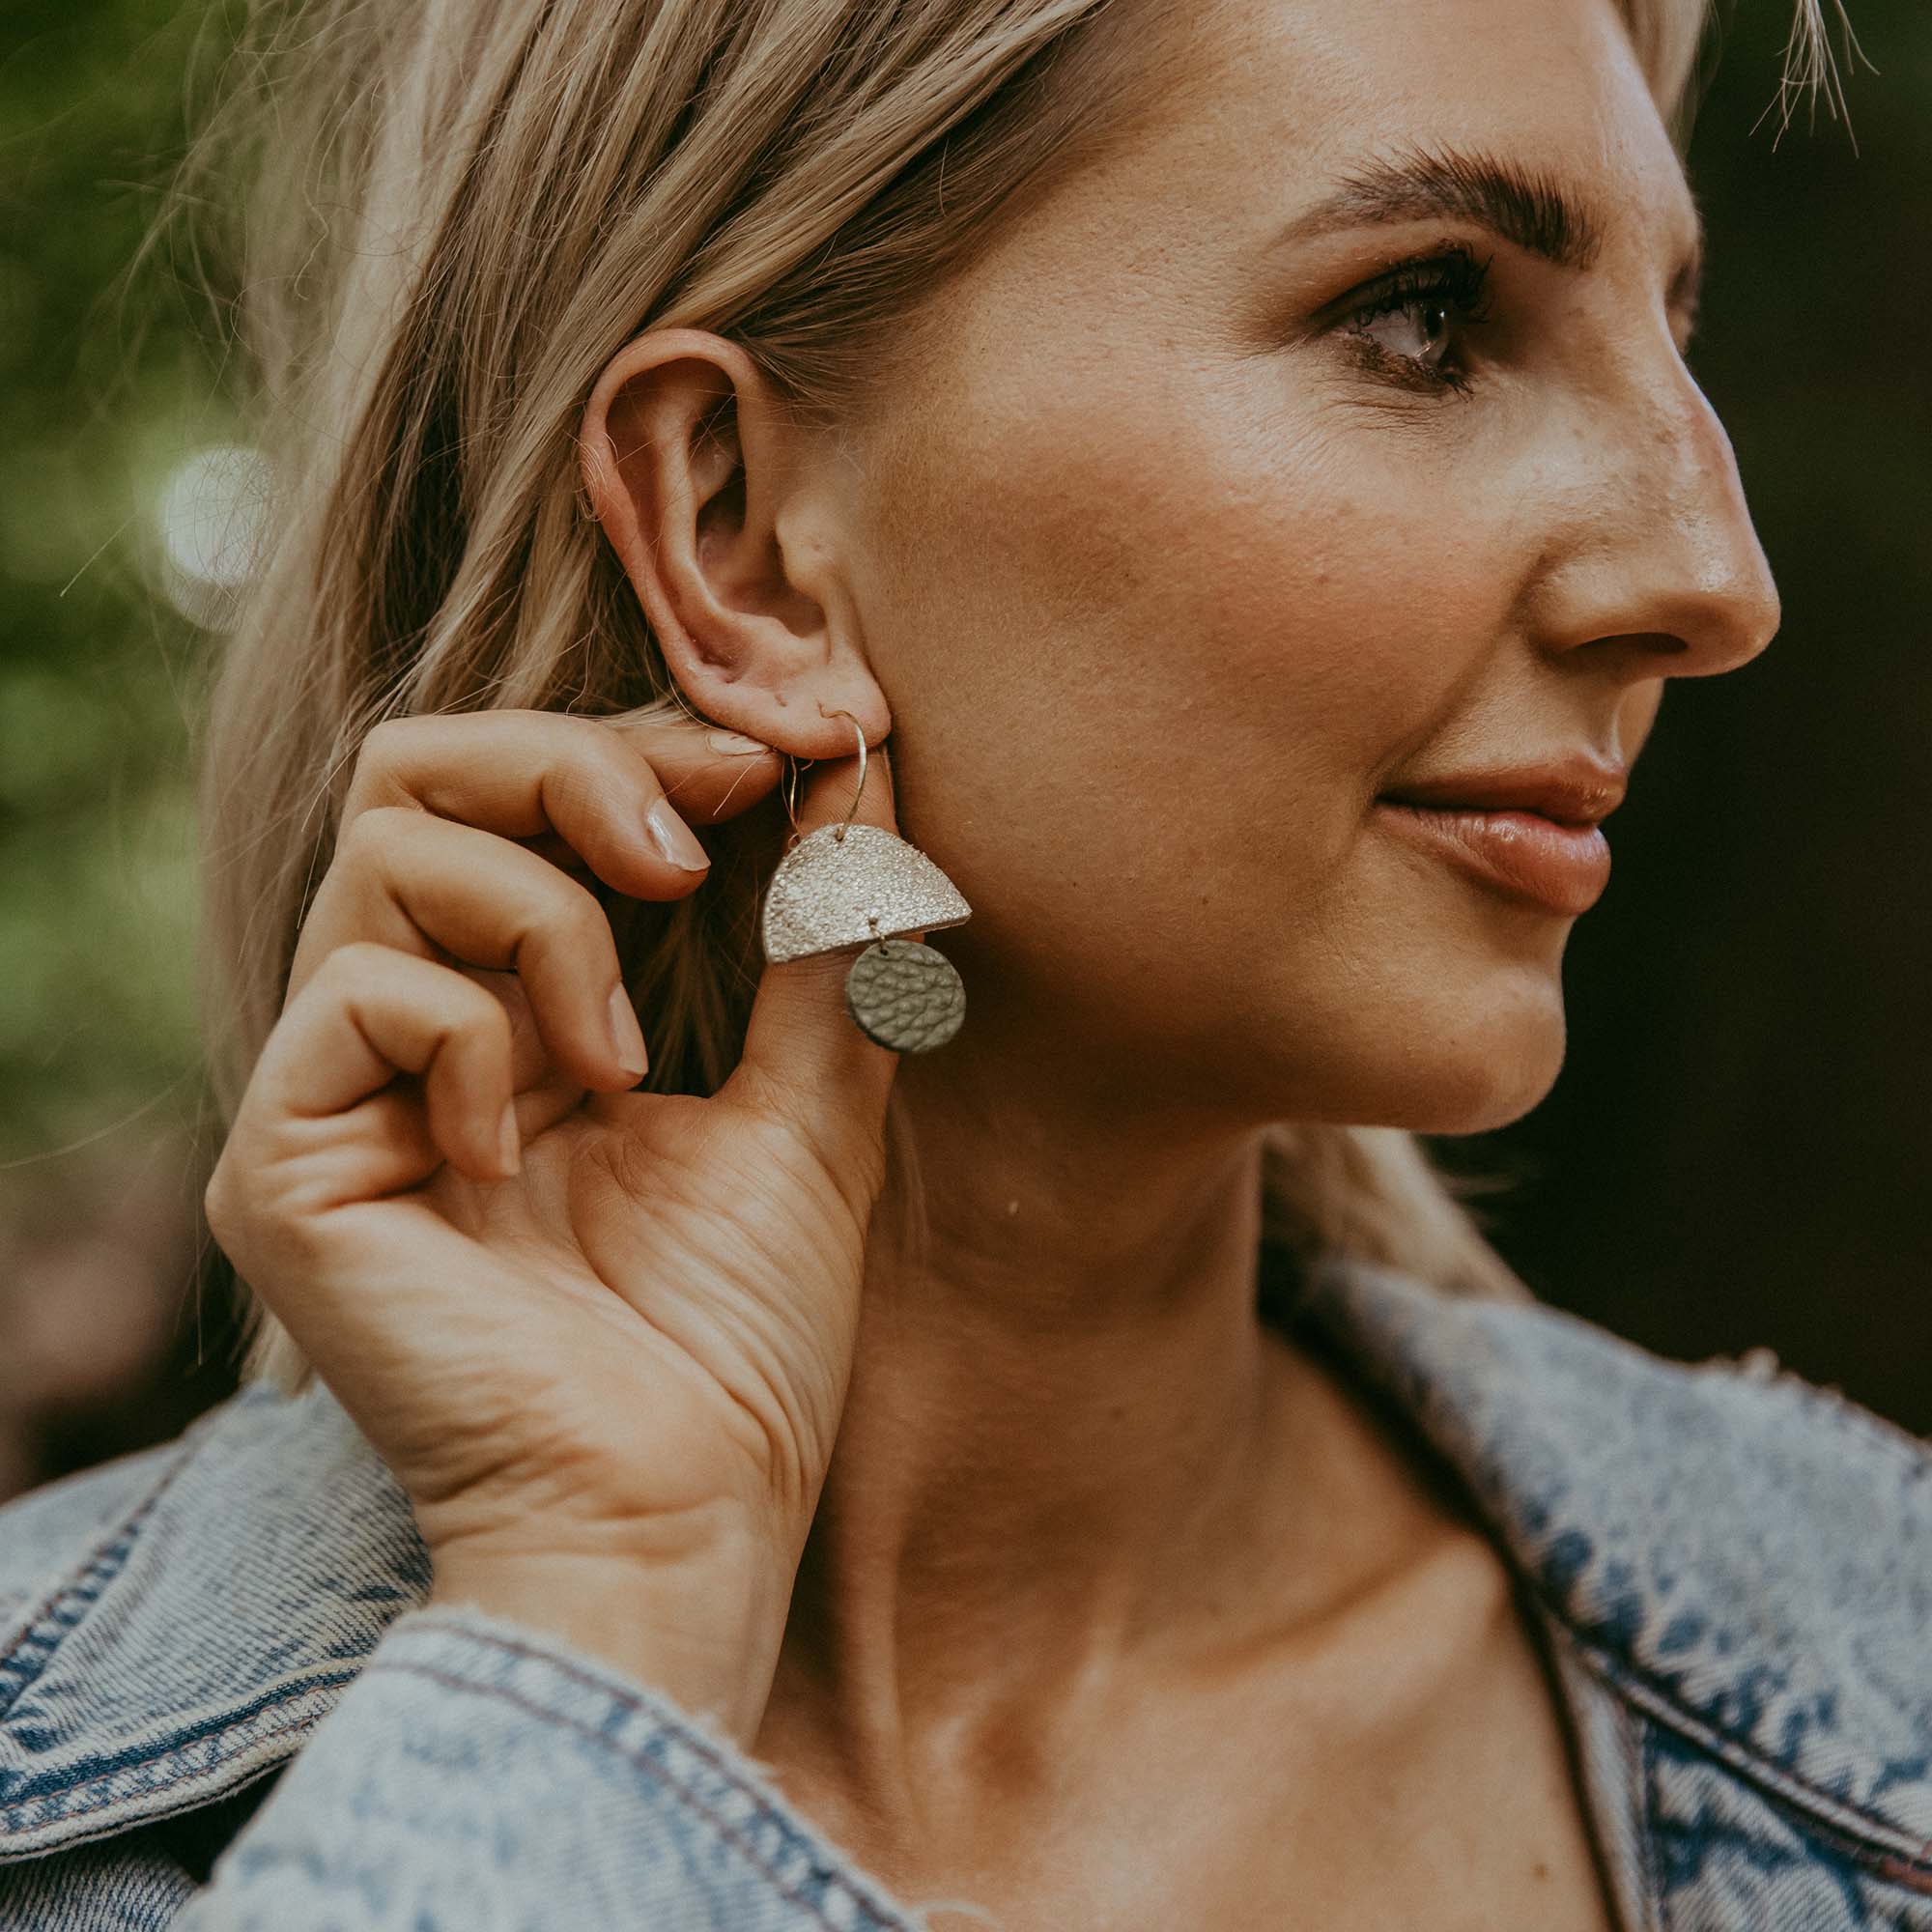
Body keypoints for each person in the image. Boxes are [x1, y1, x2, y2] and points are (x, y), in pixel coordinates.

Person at [3, 0, 1926, 1925]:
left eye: (1670, 334)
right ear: (737, 530)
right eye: (1425, 321)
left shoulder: (1878, 1650)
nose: (1714, 577)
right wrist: (587, 1633)